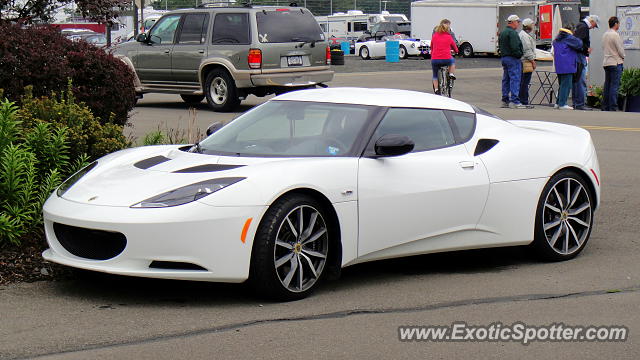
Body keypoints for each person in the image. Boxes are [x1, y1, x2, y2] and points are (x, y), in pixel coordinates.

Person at [572, 15, 600, 110]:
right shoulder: (584, 28)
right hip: (580, 56)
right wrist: (586, 49)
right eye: (594, 25)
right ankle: (580, 103)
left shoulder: (579, 25)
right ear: (591, 21)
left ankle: (576, 103)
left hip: (576, 56)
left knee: (576, 80)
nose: (593, 28)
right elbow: (578, 42)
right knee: (581, 80)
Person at [499, 14, 526, 109]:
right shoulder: (513, 33)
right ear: (514, 22)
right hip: (513, 58)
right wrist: (519, 54)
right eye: (518, 22)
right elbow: (515, 47)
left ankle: (505, 100)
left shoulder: (503, 32)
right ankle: (515, 101)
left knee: (506, 79)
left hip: (504, 57)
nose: (518, 24)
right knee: (515, 79)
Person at [553, 28, 583, 110]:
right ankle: (563, 103)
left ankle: (558, 102)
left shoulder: (556, 39)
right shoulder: (568, 38)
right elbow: (579, 44)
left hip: (559, 65)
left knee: (561, 85)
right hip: (568, 64)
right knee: (567, 85)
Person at [602, 16, 625, 111]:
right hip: (615, 62)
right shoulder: (615, 35)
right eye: (618, 23)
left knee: (607, 85)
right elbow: (620, 49)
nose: (619, 25)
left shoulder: (605, 34)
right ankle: (613, 106)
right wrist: (623, 56)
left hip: (606, 62)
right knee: (614, 86)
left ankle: (605, 106)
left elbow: (603, 47)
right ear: (615, 24)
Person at [430, 19, 459, 95]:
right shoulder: (449, 37)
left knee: (435, 75)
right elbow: (456, 49)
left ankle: (436, 90)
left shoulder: (434, 36)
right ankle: (451, 74)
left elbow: (431, 48)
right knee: (452, 61)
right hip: (447, 59)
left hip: (435, 60)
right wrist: (456, 51)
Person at [519, 18, 537, 108]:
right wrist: (533, 61)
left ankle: (523, 100)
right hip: (525, 61)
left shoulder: (524, 34)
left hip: (524, 60)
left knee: (524, 82)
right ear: (528, 26)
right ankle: (523, 101)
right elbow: (527, 50)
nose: (533, 26)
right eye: (532, 25)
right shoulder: (524, 36)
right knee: (524, 82)